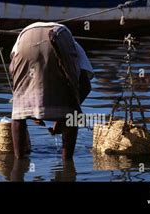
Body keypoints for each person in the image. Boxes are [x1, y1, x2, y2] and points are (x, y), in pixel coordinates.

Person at [9, 22, 93, 160]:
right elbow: (85, 86)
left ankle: (19, 162)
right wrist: (68, 112)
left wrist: (30, 107)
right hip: (59, 37)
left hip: (25, 38)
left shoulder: (70, 44)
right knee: (70, 110)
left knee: (19, 110)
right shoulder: (75, 46)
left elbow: (13, 71)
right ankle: (67, 162)